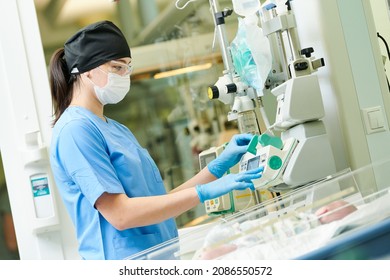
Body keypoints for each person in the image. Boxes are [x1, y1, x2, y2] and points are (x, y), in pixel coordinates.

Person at [48, 20, 263, 260]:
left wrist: (217, 168)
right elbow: (121, 215)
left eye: (128, 68)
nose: (125, 76)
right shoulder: (75, 131)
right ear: (86, 69)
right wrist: (203, 193)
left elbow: (159, 202)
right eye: (117, 67)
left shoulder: (114, 128)